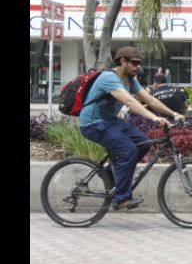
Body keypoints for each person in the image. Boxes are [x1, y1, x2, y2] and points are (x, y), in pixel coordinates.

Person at [79, 46, 185, 211]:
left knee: (144, 142)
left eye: (139, 63)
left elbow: (150, 100)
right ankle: (121, 199)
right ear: (123, 61)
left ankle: (109, 175)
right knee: (128, 151)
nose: (138, 67)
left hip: (110, 121)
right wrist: (155, 117)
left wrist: (174, 113)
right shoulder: (109, 77)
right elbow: (129, 102)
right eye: (134, 63)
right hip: (93, 123)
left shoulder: (130, 80)